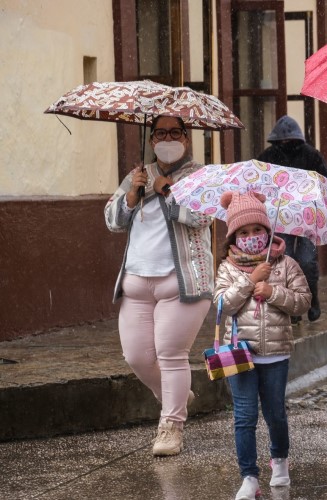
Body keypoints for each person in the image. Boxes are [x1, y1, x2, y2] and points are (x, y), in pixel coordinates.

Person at [104, 115, 213, 456]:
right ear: (151, 140)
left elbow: (202, 217)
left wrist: (167, 191)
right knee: (136, 356)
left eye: (175, 132)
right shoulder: (137, 175)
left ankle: (171, 427)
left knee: (170, 355)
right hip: (136, 281)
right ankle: (175, 397)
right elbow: (111, 220)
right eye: (161, 133)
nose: (168, 138)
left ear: (187, 138)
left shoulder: (199, 176)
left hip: (181, 282)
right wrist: (133, 195)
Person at [213, 190, 311, 499]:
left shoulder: (286, 265)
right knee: (244, 416)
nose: (251, 236)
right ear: (233, 238)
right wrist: (248, 280)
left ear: (268, 232)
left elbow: (303, 303)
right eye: (243, 232)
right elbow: (222, 305)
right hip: (240, 353)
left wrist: (273, 292)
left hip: (275, 355)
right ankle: (249, 477)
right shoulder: (227, 268)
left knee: (275, 413)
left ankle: (279, 459)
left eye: (257, 230)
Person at [257, 115, 327, 323]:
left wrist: (314, 198)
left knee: (307, 262)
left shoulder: (311, 156)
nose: (286, 145)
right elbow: (259, 186)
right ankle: (292, 306)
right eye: (282, 142)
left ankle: (312, 298)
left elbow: (326, 183)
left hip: (308, 216)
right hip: (280, 217)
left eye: (289, 141)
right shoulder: (267, 157)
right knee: (285, 260)